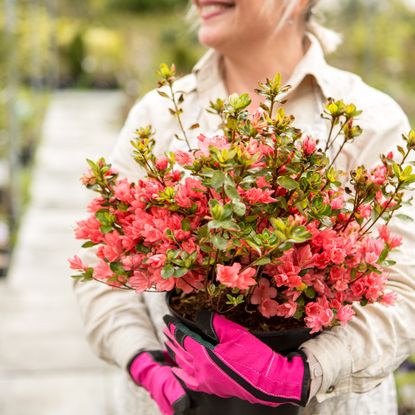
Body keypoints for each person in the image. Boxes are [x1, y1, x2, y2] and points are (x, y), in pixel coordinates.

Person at [73, 1, 415, 414]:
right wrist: (144, 362)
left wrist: (304, 373)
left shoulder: (370, 120)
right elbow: (103, 271)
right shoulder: (161, 115)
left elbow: (402, 292)